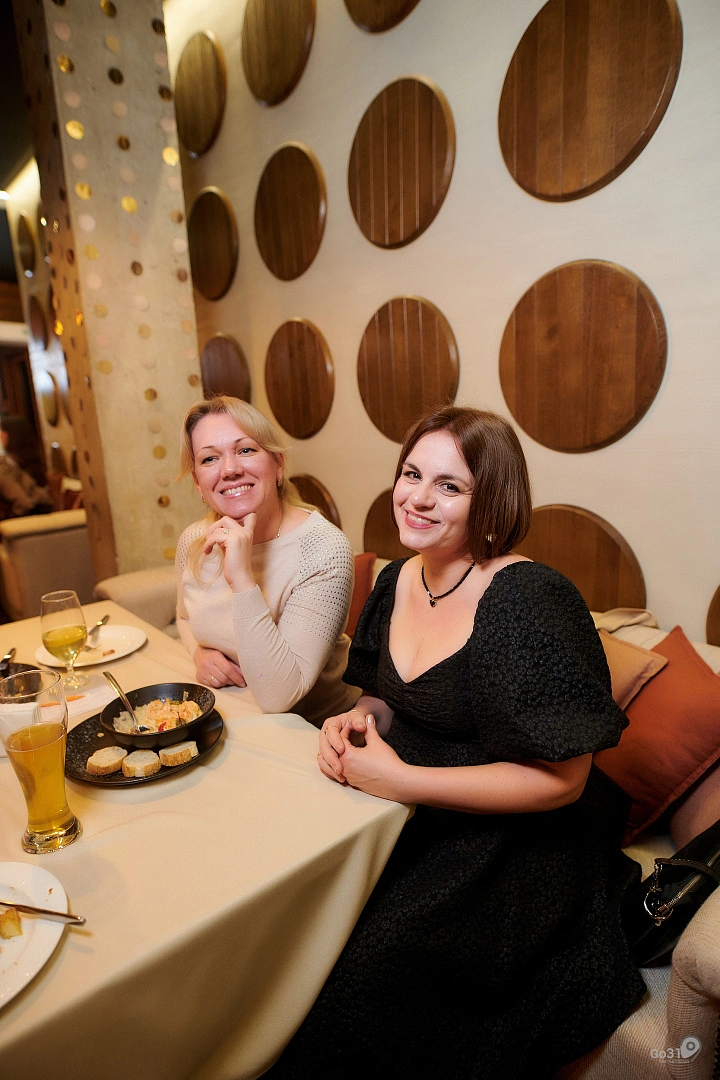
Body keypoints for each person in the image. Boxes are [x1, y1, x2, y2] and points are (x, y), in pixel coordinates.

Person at [265, 406, 645, 1079]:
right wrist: (354, 721)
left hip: (517, 839)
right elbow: (387, 697)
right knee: (293, 914)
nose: (417, 497)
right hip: (411, 808)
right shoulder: (395, 579)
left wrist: (402, 781)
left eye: (449, 485)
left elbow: (565, 782)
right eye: (412, 474)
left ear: (491, 500)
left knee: (366, 975)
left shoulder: (528, 599)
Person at [176, 396, 358, 727]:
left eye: (245, 450)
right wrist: (199, 653)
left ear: (278, 465)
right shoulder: (194, 540)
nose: (230, 469)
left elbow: (279, 696)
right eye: (210, 458)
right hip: (231, 716)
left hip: (314, 732)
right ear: (198, 483)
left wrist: (242, 580)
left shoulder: (324, 549)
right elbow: (184, 617)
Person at [0, 428, 52, 519]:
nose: (5, 435)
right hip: (34, 511)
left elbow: (23, 501)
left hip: (40, 509)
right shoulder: (3, 467)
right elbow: (21, 501)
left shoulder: (7, 462)